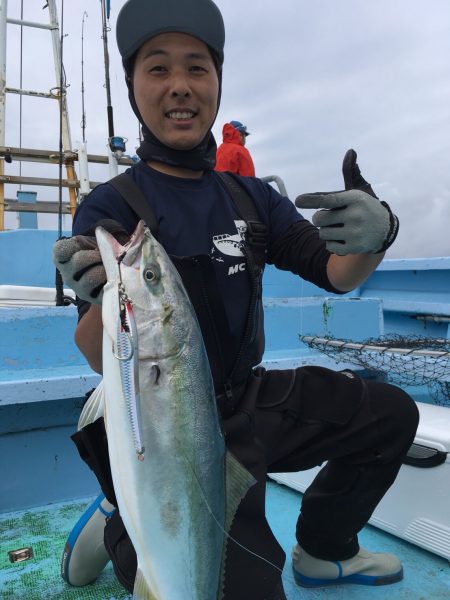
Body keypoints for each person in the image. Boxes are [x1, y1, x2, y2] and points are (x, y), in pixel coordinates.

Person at [53, 1, 419, 599]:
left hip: (244, 398)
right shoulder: (111, 208)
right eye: (158, 68)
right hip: (159, 424)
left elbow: (337, 273)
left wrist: (379, 235)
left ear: (218, 81)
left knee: (390, 415)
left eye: (198, 68)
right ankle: (124, 503)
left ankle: (325, 551)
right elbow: (99, 359)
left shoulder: (250, 199)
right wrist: (99, 299)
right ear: (134, 83)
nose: (180, 87)